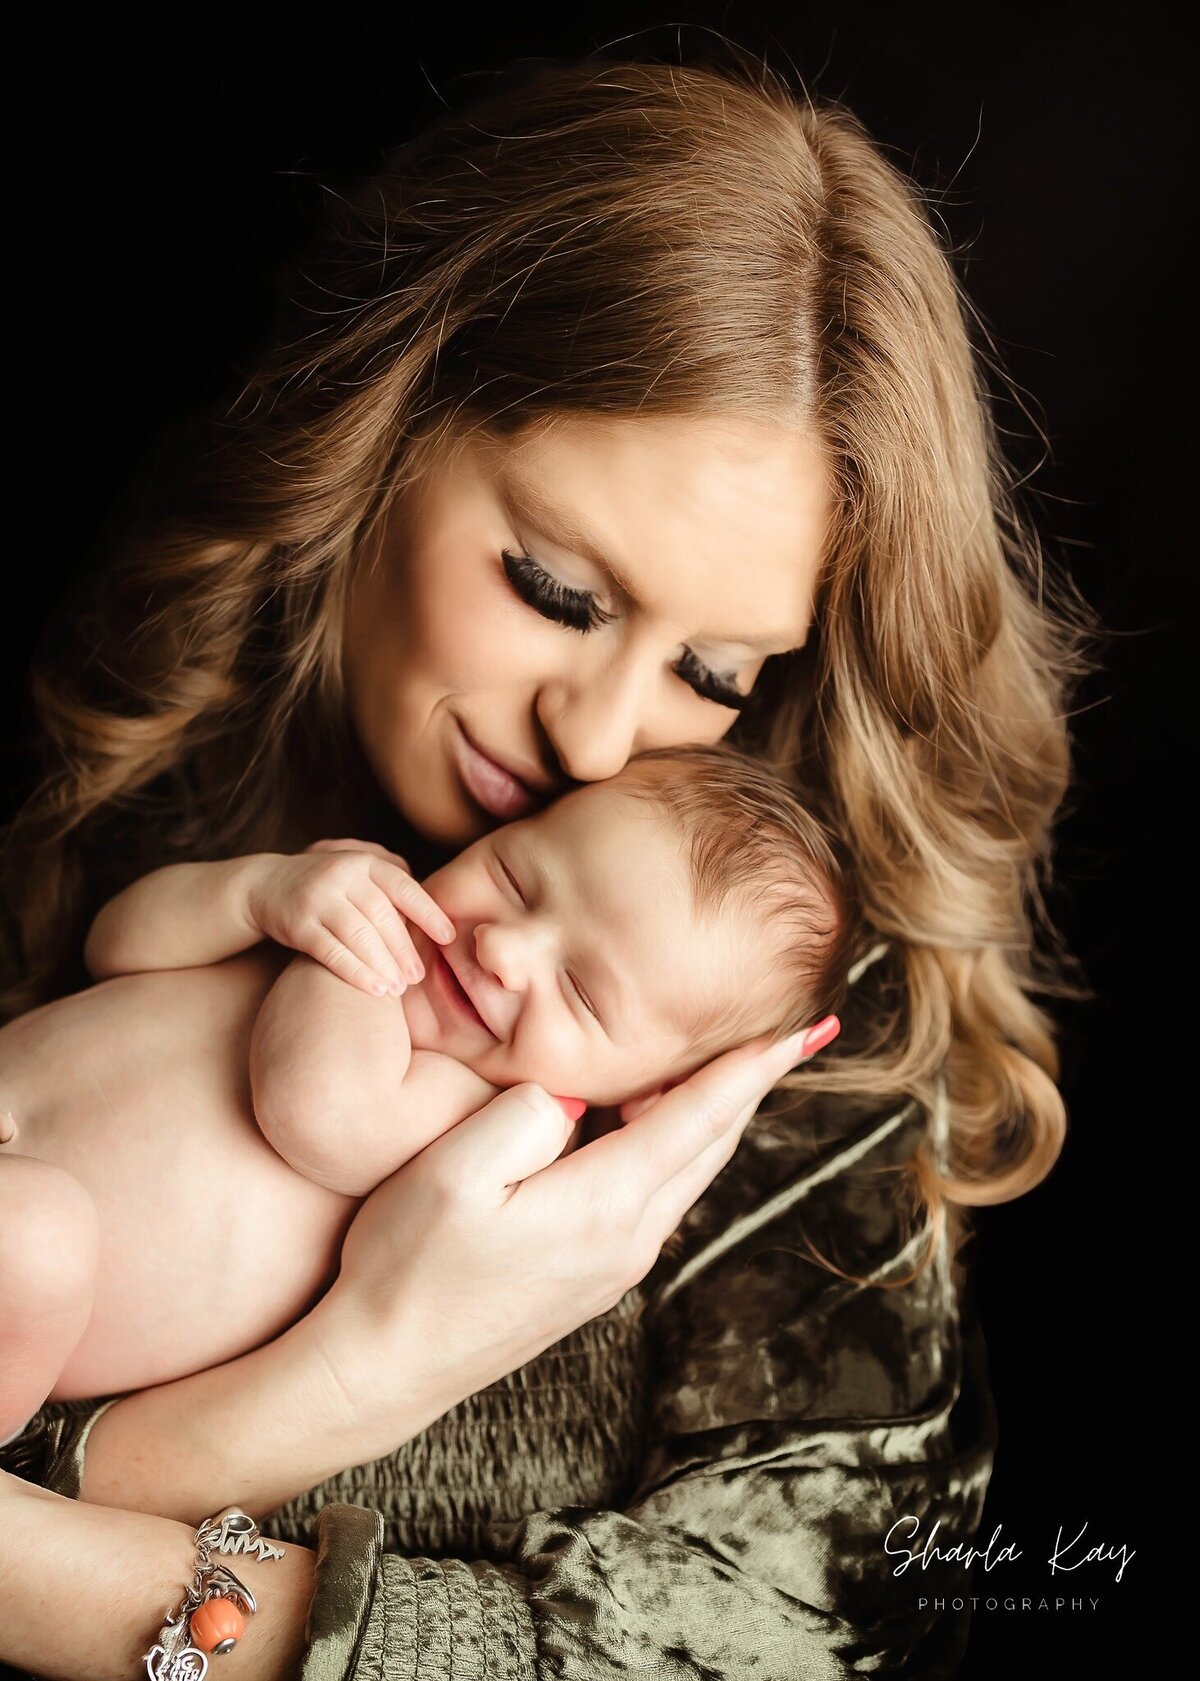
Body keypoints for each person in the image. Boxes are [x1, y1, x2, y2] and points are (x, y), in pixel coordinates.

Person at [0, 48, 1093, 1681]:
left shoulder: (756, 1020)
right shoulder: (104, 765)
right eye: (554, 588)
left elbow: (762, 1644)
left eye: (715, 676)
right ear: (382, 424)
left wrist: (377, 1371)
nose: (597, 738)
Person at [0, 742, 851, 1429]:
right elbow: (117, 945)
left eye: (584, 993)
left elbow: (314, 1108)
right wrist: (258, 890)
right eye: (517, 877)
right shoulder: (353, 904)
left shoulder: (482, 1122)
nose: (505, 949)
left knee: (38, 1233)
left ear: (656, 1094)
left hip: (25, 1292)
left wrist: (333, 949)